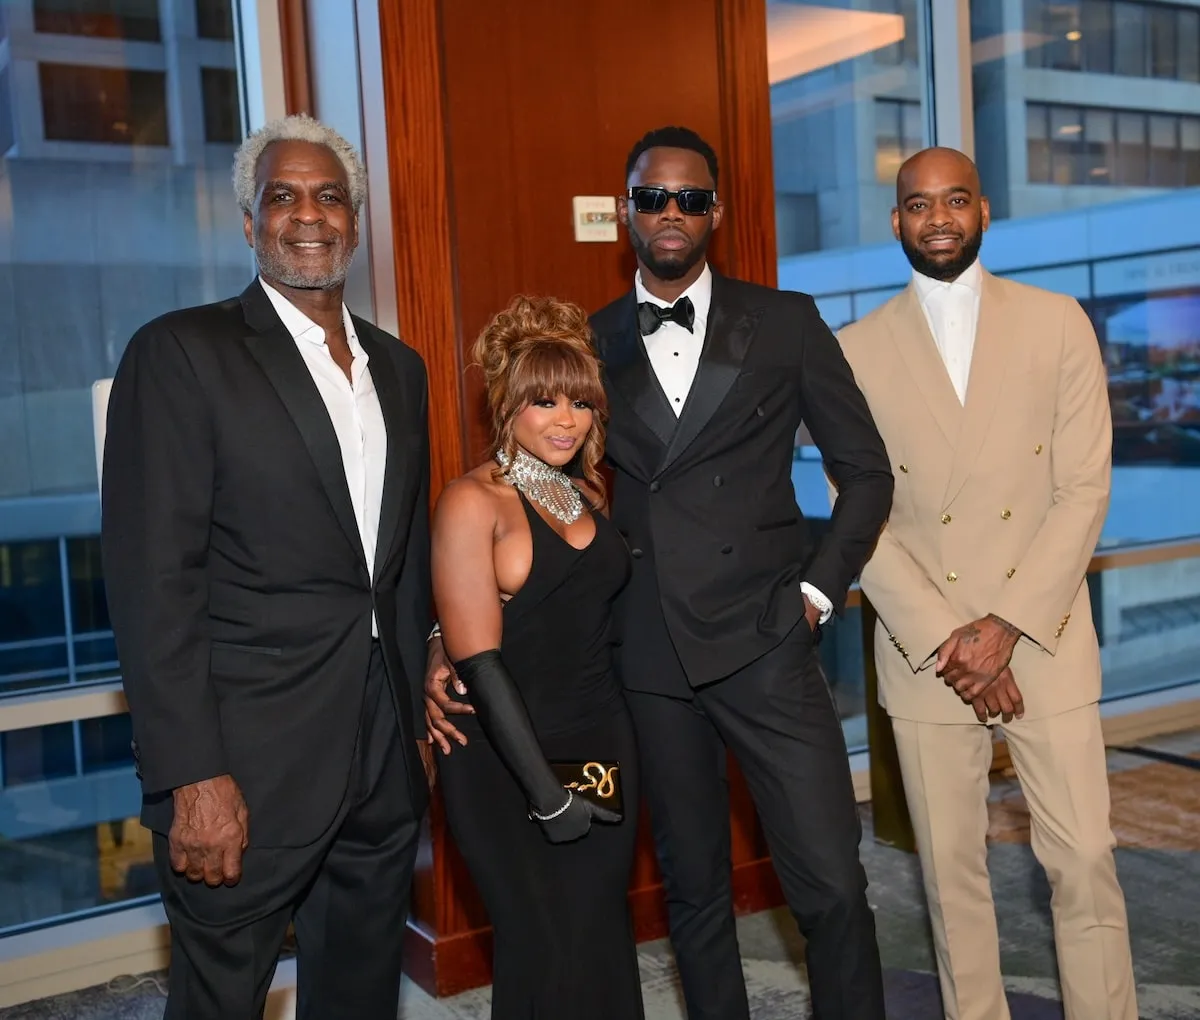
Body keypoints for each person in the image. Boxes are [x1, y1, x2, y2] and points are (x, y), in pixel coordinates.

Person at [427, 126, 894, 1020]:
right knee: (693, 894)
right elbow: (506, 493)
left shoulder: (787, 322)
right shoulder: (586, 344)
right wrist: (441, 634)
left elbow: (867, 473)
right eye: (651, 199)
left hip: (768, 641)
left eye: (688, 198)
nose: (670, 213)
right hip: (646, 664)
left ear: (716, 211)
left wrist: (813, 593)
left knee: (832, 883)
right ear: (625, 214)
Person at [100, 114, 433, 1020]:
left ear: (356, 225)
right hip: (242, 768)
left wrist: (428, 676)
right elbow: (150, 582)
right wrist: (190, 775)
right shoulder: (180, 354)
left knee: (362, 995)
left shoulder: (401, 371)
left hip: (380, 757)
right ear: (249, 224)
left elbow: (397, 565)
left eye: (329, 196)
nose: (308, 215)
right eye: (281, 196)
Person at [832, 146, 1137, 1020]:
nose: (938, 218)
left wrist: (1004, 625)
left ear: (984, 211)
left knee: (1082, 857)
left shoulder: (1057, 321)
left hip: (1043, 633)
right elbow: (858, 508)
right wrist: (950, 636)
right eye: (919, 205)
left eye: (954, 200)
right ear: (896, 222)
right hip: (928, 649)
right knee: (953, 879)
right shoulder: (853, 349)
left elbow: (1085, 488)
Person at [430, 294, 643, 1019]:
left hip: (600, 745)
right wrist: (546, 797)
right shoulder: (472, 502)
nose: (566, 419)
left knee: (600, 936)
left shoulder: (586, 491)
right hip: (502, 762)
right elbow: (481, 662)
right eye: (543, 400)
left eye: (581, 401)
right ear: (506, 406)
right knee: (540, 947)